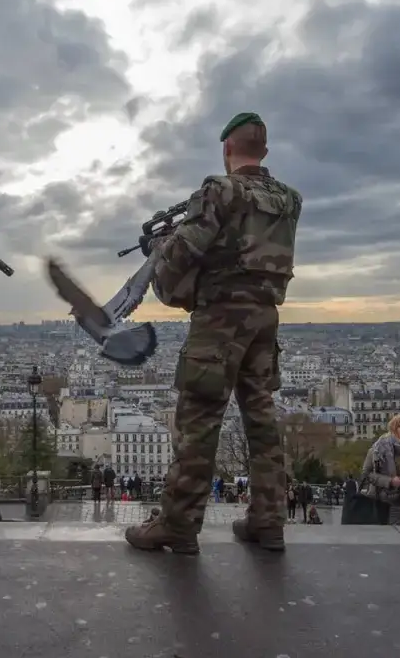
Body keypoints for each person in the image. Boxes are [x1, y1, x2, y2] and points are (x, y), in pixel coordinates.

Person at [123, 112, 302, 555]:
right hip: (265, 318)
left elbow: (186, 251)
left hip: (220, 320)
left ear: (227, 148)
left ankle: (179, 524)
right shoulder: (290, 199)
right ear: (264, 150)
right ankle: (268, 521)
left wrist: (163, 245)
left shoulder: (219, 191)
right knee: (262, 420)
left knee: (199, 422)